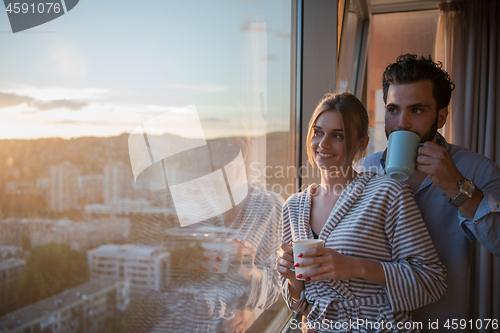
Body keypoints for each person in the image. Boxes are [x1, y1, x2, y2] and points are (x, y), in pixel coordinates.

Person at [276, 92, 447, 332]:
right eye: (318, 132)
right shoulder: (293, 207)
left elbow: (431, 281)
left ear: (361, 144)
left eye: (338, 136)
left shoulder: (388, 192)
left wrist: (354, 267)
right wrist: (291, 276)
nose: (323, 144)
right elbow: (298, 303)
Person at [355, 54, 500, 330]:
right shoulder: (364, 171)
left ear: (441, 116)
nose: (402, 123)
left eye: (417, 110)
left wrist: (455, 185)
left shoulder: (475, 169)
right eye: (393, 110)